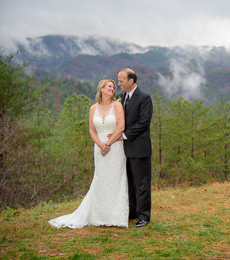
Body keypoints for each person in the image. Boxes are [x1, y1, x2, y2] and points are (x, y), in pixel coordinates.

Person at [49, 79, 129, 228]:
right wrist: (101, 145)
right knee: (101, 179)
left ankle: (115, 217)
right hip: (99, 149)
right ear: (102, 89)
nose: (112, 89)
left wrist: (108, 143)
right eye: (109, 86)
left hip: (116, 147)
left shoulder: (117, 105)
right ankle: (100, 215)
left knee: (116, 179)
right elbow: (92, 130)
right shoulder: (93, 108)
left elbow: (121, 127)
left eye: (113, 87)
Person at [109, 68, 153, 228]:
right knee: (129, 183)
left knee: (142, 184)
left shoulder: (144, 98)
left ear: (131, 81)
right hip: (122, 150)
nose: (118, 84)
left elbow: (143, 122)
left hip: (139, 149)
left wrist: (123, 135)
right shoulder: (121, 98)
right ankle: (132, 212)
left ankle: (144, 216)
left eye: (121, 81)